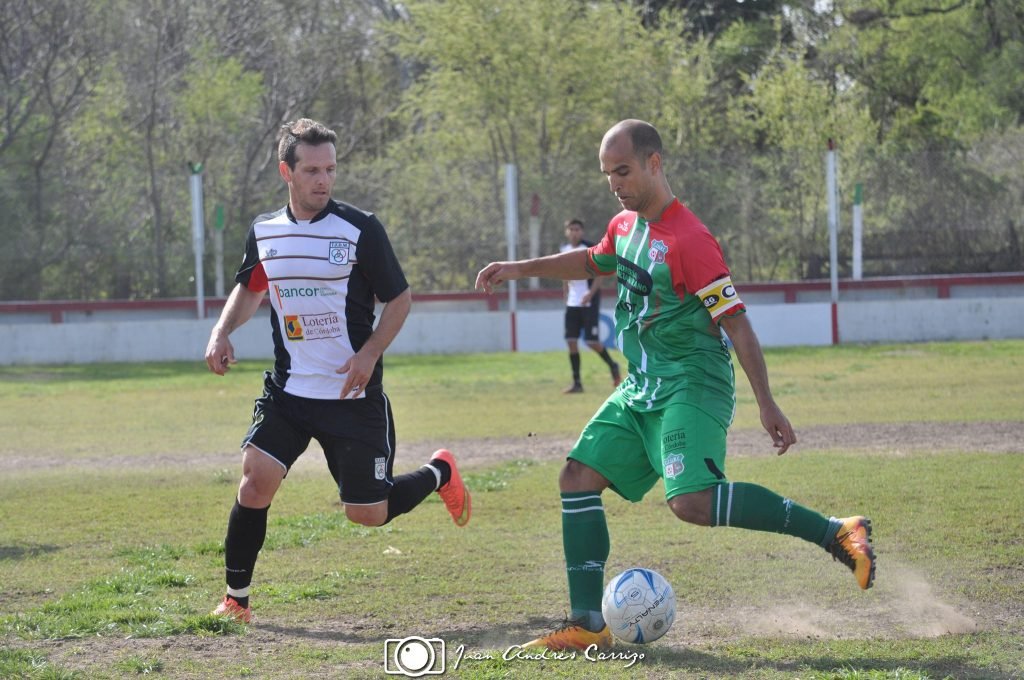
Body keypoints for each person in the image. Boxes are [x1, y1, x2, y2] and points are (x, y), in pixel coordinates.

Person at [475, 119, 875, 651]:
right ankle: (588, 623)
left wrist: (768, 404)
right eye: (607, 174)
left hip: (693, 382)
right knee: (576, 478)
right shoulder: (624, 226)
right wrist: (517, 268)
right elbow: (592, 260)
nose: (615, 183)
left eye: (624, 170)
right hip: (643, 385)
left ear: (654, 163)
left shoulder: (691, 240)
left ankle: (836, 532)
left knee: (691, 503)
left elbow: (737, 324)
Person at [204, 118, 471, 623]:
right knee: (255, 482)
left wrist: (369, 354)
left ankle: (440, 472)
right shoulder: (266, 232)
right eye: (311, 170)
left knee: (367, 514)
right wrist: (222, 331)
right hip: (289, 393)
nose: (322, 180)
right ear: (287, 171)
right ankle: (236, 600)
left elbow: (399, 298)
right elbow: (251, 287)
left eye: (330, 169)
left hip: (352, 397)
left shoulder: (360, 228)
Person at [559, 218, 621, 393]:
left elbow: (601, 273)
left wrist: (590, 293)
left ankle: (613, 365)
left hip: (589, 301)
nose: (574, 232)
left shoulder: (590, 248)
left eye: (577, 229)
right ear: (567, 231)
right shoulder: (563, 249)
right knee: (571, 341)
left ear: (582, 231)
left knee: (591, 341)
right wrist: (565, 294)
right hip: (572, 302)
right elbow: (563, 272)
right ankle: (577, 383)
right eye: (571, 229)